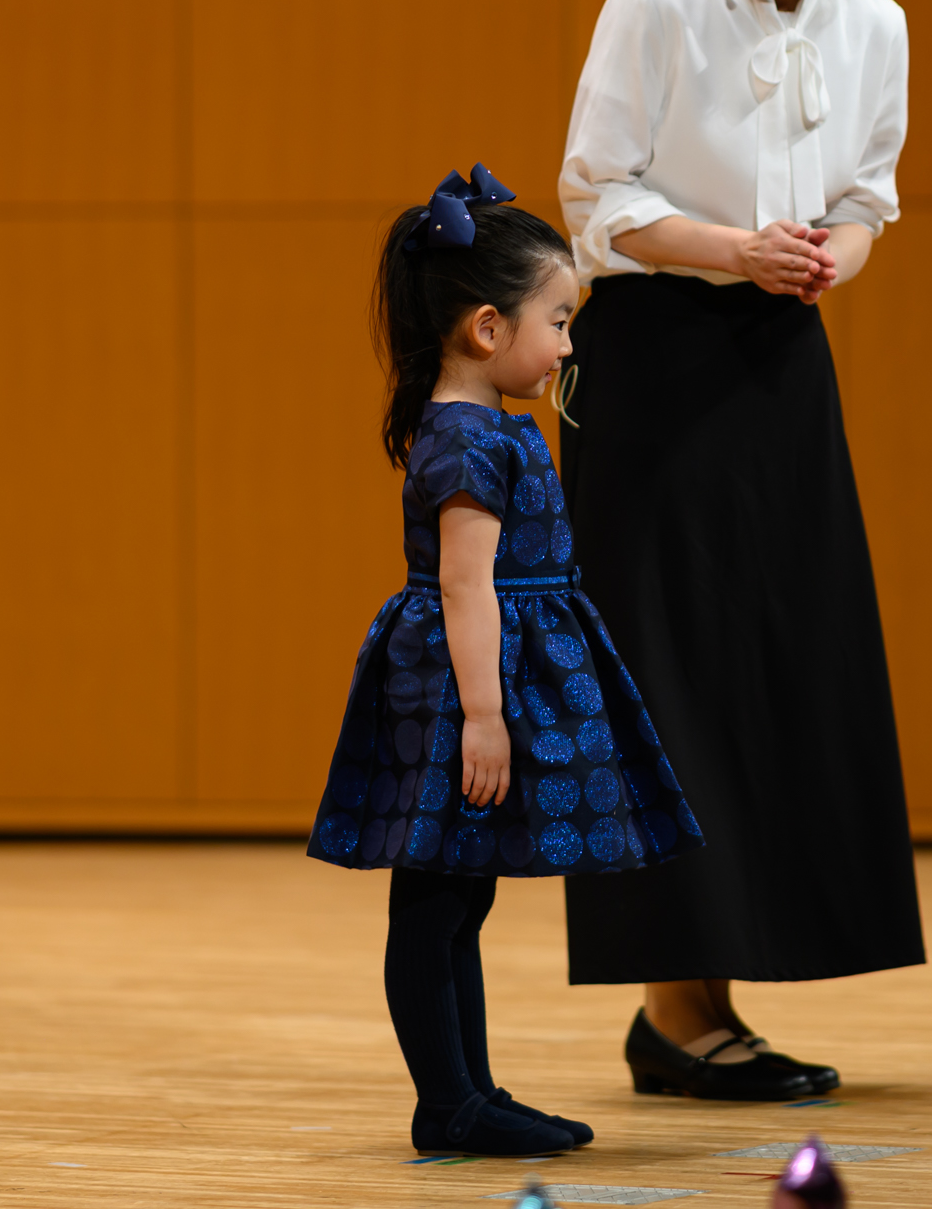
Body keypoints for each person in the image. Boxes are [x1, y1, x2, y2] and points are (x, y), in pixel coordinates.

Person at [556, 0, 923, 1100]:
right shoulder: (654, 1)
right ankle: (677, 1012)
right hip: (653, 354)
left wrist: (834, 260)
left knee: (784, 670)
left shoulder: (874, 23)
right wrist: (736, 249)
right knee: (665, 682)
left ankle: (722, 994)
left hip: (781, 361)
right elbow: (593, 204)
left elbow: (871, 195)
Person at [307, 166, 701, 1155]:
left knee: (456, 894)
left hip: (479, 676)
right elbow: (462, 585)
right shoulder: (464, 440)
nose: (567, 342)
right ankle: (448, 1101)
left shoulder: (487, 428)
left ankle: (467, 1090)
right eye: (557, 320)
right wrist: (484, 713)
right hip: (456, 687)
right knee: (436, 894)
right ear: (487, 328)